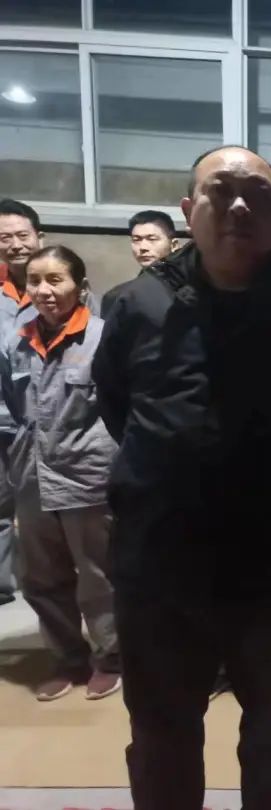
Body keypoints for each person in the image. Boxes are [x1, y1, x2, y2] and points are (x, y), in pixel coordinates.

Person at [92, 145, 271, 810]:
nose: (240, 206)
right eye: (221, 191)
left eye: (259, 195)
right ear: (188, 209)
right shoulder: (137, 303)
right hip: (160, 564)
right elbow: (117, 405)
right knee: (161, 730)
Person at [0, 245, 120, 700]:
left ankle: (112, 657)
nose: (44, 290)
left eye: (56, 280)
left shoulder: (103, 339)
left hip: (87, 473)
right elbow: (11, 405)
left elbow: (122, 405)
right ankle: (68, 658)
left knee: (98, 575)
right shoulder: (16, 341)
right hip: (31, 473)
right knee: (41, 577)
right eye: (35, 281)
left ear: (80, 287)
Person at [0, 198, 46, 607]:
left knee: (42, 509)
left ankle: (49, 581)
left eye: (22, 235)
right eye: (4, 237)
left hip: (41, 419)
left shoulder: (58, 283)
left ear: (38, 237)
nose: (14, 244)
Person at [102, 211, 180, 318]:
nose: (143, 247)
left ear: (174, 245)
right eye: (136, 240)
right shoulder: (118, 296)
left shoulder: (189, 291)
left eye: (152, 239)